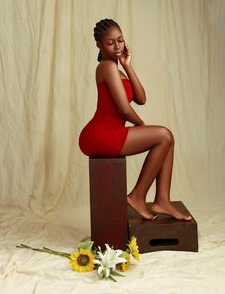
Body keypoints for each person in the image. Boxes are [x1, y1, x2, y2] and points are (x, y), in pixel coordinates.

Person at [79, 19, 191, 221]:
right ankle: (137, 196)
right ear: (99, 45)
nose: (117, 46)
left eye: (120, 40)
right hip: (101, 133)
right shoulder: (105, 67)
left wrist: (127, 65)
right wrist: (142, 127)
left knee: (167, 139)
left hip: (109, 132)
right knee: (163, 135)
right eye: (110, 42)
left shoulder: (117, 68)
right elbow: (124, 109)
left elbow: (141, 98)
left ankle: (162, 200)